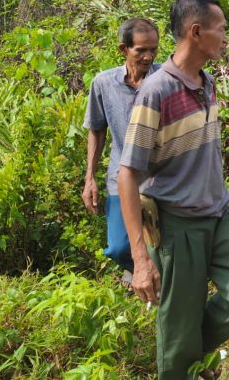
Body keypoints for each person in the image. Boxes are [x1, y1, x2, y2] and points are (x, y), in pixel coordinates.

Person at [118, 0, 229, 380]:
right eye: (220, 29)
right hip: (178, 224)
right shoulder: (156, 92)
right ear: (196, 31)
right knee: (177, 329)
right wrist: (140, 259)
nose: (225, 36)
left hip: (220, 211)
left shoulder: (208, 83)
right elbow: (128, 174)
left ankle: (190, 351)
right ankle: (183, 362)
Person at [83, 18, 160, 277]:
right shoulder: (104, 83)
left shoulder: (165, 80)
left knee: (164, 242)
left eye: (154, 50)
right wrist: (89, 178)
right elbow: (96, 129)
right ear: (123, 49)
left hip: (160, 177)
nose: (148, 57)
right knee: (117, 247)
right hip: (121, 176)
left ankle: (160, 284)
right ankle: (141, 269)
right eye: (141, 50)